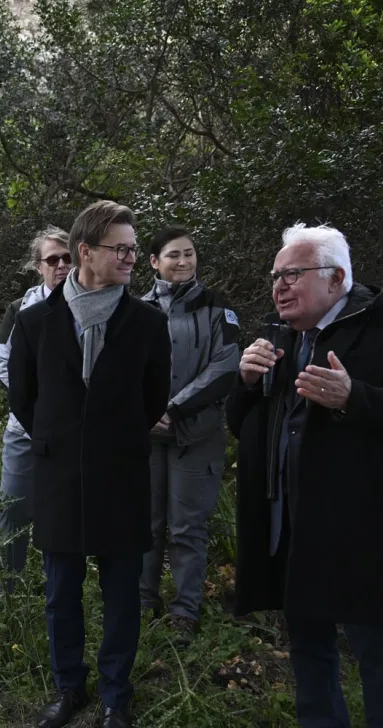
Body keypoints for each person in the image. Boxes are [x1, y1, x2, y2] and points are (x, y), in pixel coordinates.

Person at [229, 223, 383, 728]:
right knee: (310, 641)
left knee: (377, 646)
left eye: (291, 274)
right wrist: (243, 383)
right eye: (275, 275)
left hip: (366, 521)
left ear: (337, 278)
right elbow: (240, 422)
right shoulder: (278, 336)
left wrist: (354, 397)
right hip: (290, 517)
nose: (278, 286)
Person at [8, 200, 170, 728]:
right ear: (86, 253)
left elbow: (154, 397)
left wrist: (111, 440)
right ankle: (68, 687)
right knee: (61, 592)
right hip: (58, 476)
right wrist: (63, 442)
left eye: (132, 248)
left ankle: (114, 699)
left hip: (122, 475)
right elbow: (24, 398)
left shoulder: (148, 323)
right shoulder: (34, 323)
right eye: (120, 249)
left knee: (122, 593)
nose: (131, 258)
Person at [137, 226, 240, 639]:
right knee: (145, 522)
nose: (183, 262)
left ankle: (185, 609)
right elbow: (119, 368)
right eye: (174, 255)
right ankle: (143, 600)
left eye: (190, 254)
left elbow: (226, 366)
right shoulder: (135, 308)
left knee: (187, 526)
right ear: (154, 262)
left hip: (197, 434)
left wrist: (176, 409)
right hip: (144, 436)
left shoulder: (218, 307)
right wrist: (144, 411)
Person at [0, 227, 71, 584]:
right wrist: (39, 402)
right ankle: (11, 587)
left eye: (67, 258)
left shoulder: (92, 303)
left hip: (74, 431)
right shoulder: (19, 308)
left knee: (67, 512)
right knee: (14, 506)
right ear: (38, 266)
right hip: (25, 428)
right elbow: (3, 362)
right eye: (52, 259)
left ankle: (61, 586)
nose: (61, 266)